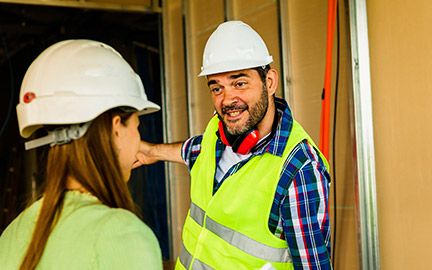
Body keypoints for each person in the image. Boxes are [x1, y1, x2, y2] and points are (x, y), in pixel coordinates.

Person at [134, 21, 331, 269]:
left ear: (269, 82)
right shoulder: (217, 134)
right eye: (217, 87)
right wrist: (152, 152)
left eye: (239, 83)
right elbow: (196, 150)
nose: (227, 100)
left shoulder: (298, 168)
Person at [0, 39, 163, 270]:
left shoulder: (13, 234)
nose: (139, 140)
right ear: (116, 129)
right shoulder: (122, 233)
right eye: (137, 126)